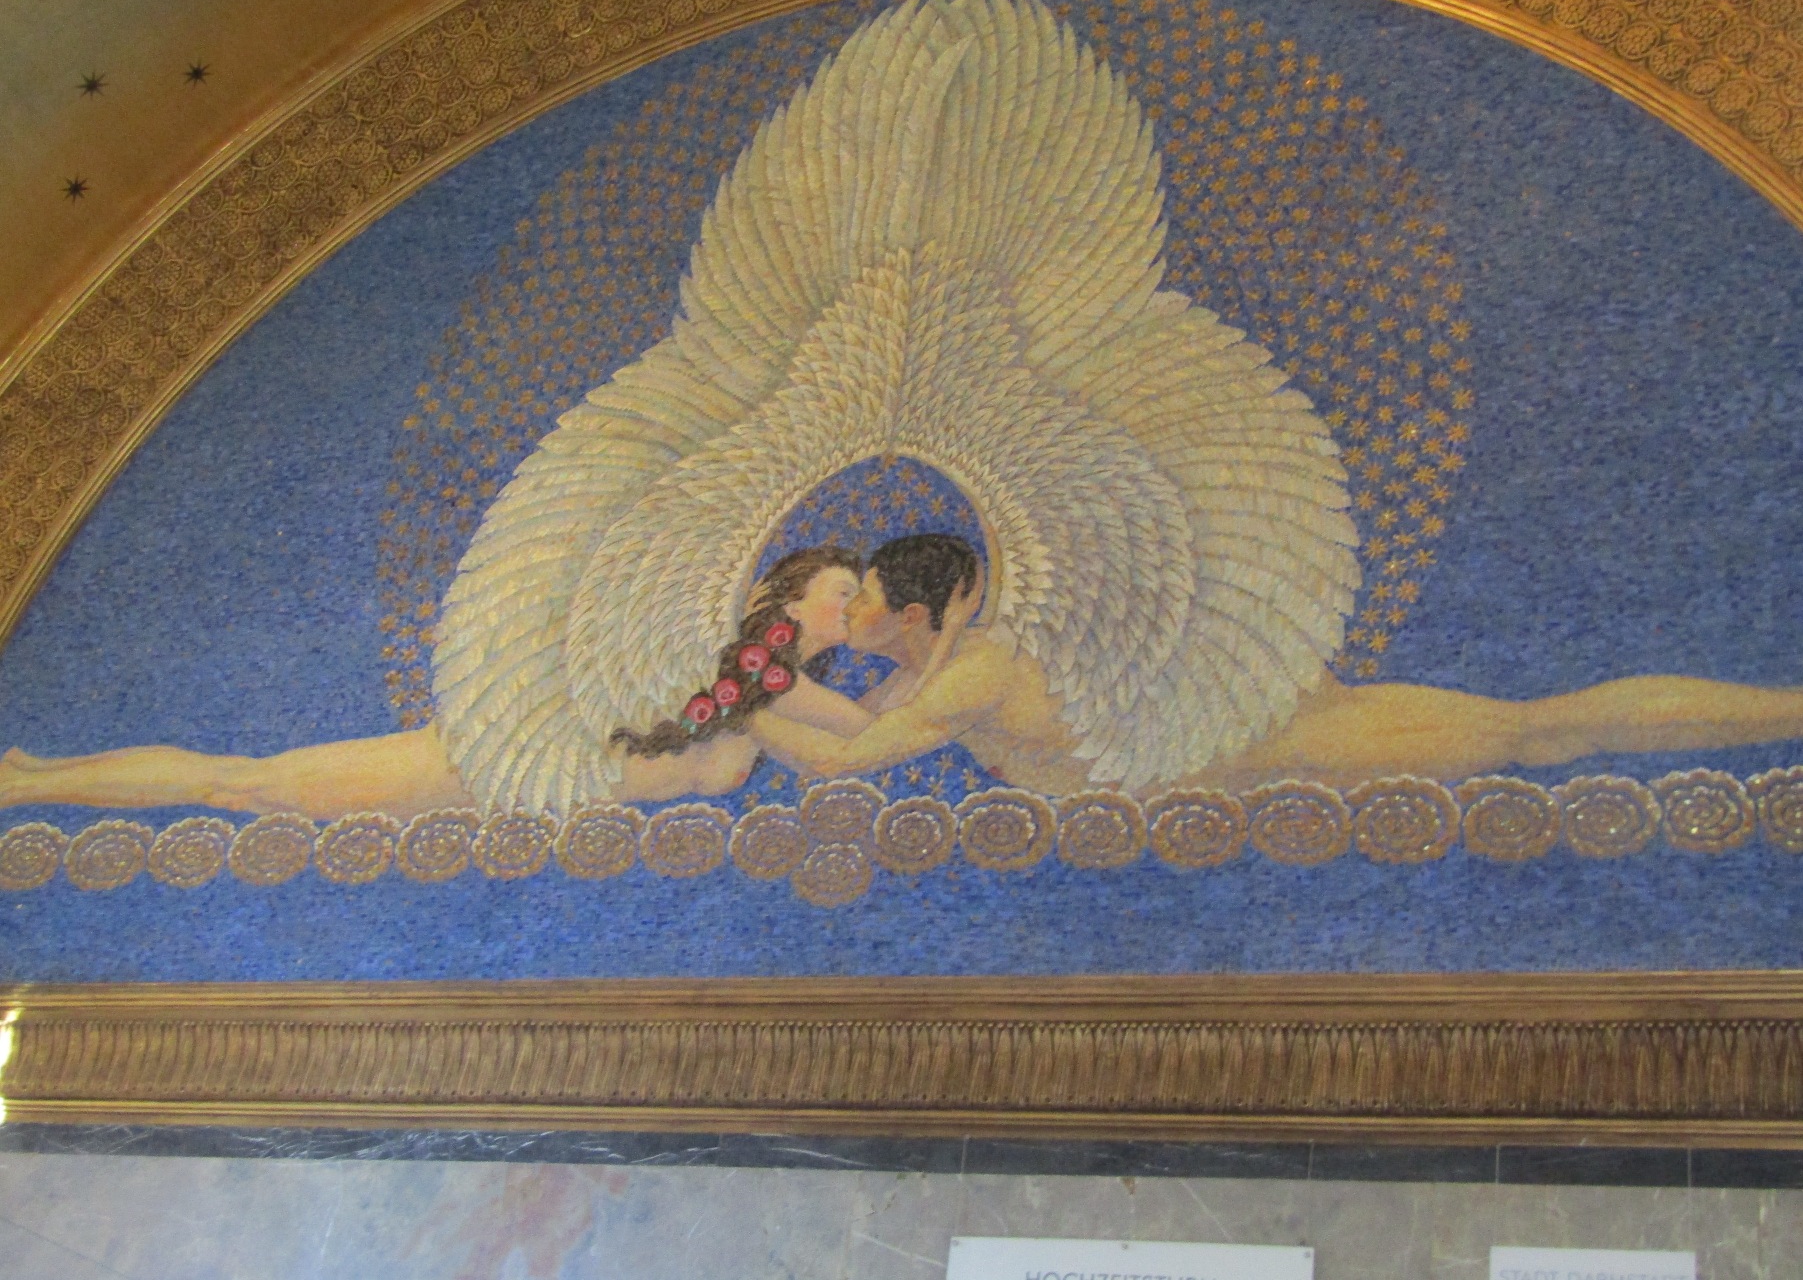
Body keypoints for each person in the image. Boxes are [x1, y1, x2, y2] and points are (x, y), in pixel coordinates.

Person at [750, 533, 1803, 794]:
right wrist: (748, 696)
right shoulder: (922, 678)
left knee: (1538, 730)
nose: (847, 612)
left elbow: (839, 763)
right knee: (1540, 731)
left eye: (861, 597)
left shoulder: (971, 674)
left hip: (1289, 740)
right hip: (1237, 763)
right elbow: (842, 731)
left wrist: (742, 707)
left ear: (916, 612)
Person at [0, 546, 873, 818]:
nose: (852, 607)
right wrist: (936, 663)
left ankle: (30, 778)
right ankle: (26, 782)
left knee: (248, 788)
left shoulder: (761, 694)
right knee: (247, 784)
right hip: (475, 772)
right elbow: (868, 728)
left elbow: (854, 738)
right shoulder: (754, 671)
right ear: (790, 594)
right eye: (844, 590)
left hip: (507, 798)